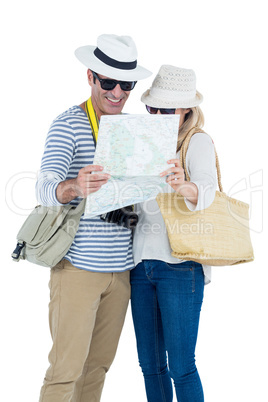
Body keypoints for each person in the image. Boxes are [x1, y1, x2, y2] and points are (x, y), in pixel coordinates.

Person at [36, 34, 151, 402]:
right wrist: (75, 186)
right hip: (78, 271)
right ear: (90, 77)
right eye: (109, 82)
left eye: (127, 84)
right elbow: (43, 188)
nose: (118, 92)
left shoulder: (135, 132)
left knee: (97, 370)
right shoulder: (68, 124)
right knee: (65, 374)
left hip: (122, 274)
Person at [130, 65, 217, 402]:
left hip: (180, 266)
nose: (157, 115)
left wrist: (183, 186)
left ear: (186, 111)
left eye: (166, 110)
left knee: (181, 367)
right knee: (150, 365)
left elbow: (207, 191)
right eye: (152, 108)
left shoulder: (197, 142)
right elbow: (132, 212)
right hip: (140, 266)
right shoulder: (140, 143)